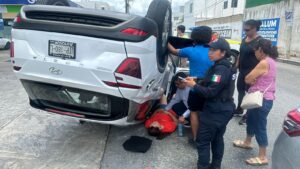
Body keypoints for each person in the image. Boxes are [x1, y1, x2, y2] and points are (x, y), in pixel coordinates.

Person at [184, 38, 237, 169]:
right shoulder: (222, 66)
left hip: (216, 110)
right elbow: (213, 81)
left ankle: (203, 166)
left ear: (223, 53)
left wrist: (194, 85)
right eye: (210, 49)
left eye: (214, 50)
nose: (210, 52)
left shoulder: (221, 69)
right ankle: (216, 165)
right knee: (217, 138)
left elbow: (211, 92)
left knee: (203, 141)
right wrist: (197, 79)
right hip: (223, 109)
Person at [233, 39, 277, 166]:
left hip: (261, 99)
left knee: (259, 126)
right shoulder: (272, 61)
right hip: (260, 98)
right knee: (251, 120)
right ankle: (247, 142)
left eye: (255, 51)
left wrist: (252, 80)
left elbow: (247, 78)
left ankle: (263, 157)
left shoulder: (264, 62)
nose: (255, 54)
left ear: (260, 50)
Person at [168, 26, 214, 143]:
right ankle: (208, 139)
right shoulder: (214, 51)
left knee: (194, 113)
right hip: (211, 89)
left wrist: (164, 41)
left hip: (194, 88)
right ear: (209, 38)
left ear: (194, 38)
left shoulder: (191, 50)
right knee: (207, 114)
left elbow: (173, 51)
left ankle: (195, 139)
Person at [234, 20, 262, 125]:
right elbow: (240, 54)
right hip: (242, 71)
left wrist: (258, 74)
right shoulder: (244, 39)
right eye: (244, 29)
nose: (245, 31)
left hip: (252, 73)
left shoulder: (259, 41)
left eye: (247, 29)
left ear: (255, 28)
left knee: (251, 94)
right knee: (240, 91)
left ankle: (248, 115)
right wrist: (236, 67)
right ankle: (239, 109)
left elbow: (263, 59)